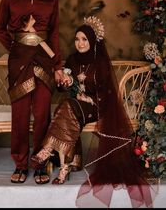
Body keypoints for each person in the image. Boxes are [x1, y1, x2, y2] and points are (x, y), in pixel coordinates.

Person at [31, 16, 155, 207]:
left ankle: (49, 151)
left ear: (92, 41)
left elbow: (108, 92)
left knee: (67, 108)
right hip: (77, 107)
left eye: (84, 39)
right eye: (77, 39)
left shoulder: (100, 61)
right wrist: (66, 83)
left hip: (98, 106)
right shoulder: (72, 60)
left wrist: (91, 98)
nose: (80, 43)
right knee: (68, 107)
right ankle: (64, 167)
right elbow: (64, 89)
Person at [0, 0, 63, 185]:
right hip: (19, 63)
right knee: (20, 115)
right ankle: (21, 164)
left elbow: (54, 34)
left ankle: (40, 163)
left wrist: (57, 66)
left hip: (44, 62)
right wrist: (15, 47)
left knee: (43, 114)